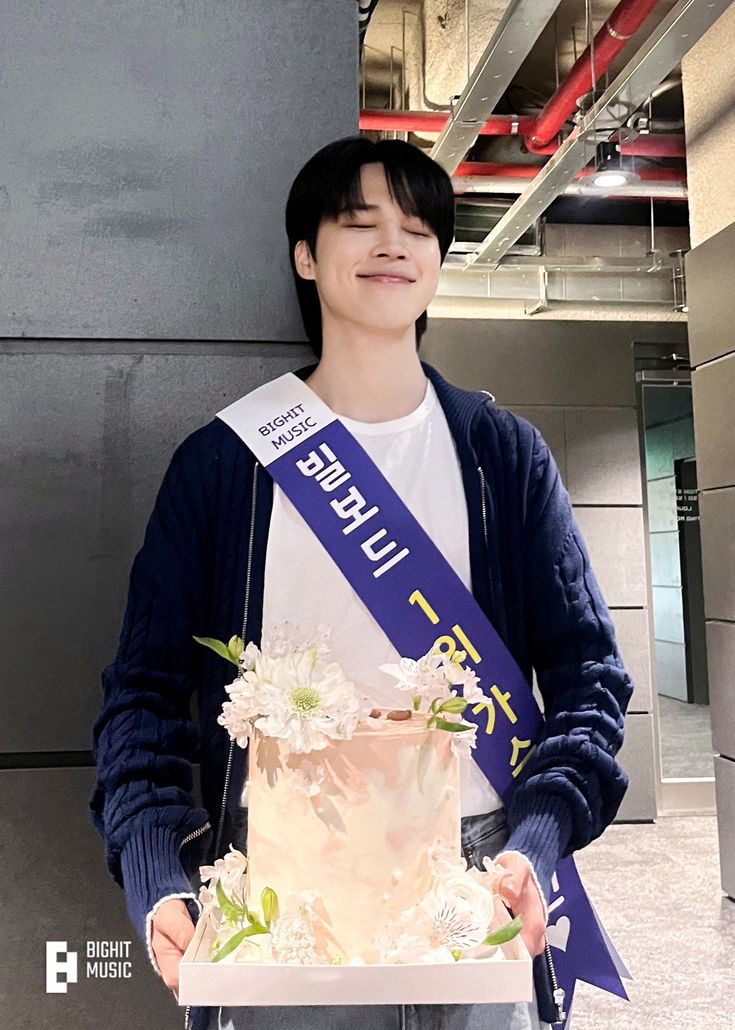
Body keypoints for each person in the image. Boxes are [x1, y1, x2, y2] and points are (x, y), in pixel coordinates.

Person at [89, 136, 634, 1030]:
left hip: (480, 890)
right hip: (281, 901)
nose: (393, 244)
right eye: (359, 222)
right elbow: (141, 698)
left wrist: (535, 844)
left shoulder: (503, 458)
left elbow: (588, 682)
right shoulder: (225, 466)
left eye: (418, 229)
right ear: (306, 255)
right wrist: (156, 873)